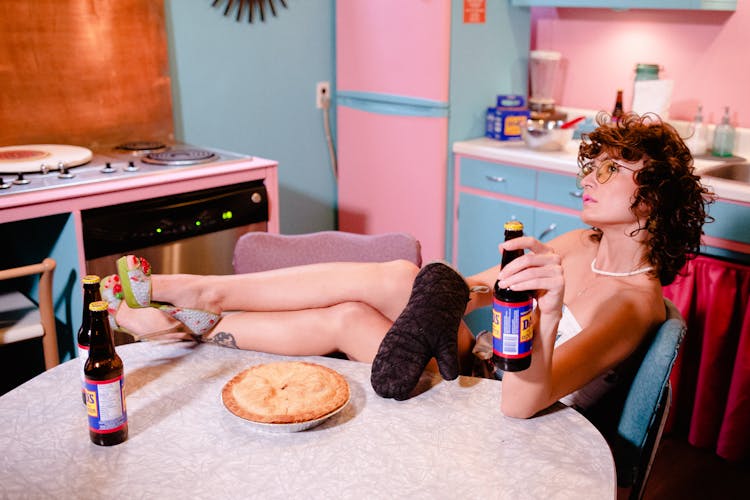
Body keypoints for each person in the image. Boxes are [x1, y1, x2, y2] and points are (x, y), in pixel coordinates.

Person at [103, 112, 713, 417]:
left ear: (654, 195)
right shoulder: (579, 243)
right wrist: (471, 286)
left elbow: (527, 399)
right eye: (592, 163)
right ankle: (190, 317)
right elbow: (482, 290)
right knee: (368, 300)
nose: (589, 177)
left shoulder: (634, 305)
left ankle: (190, 305)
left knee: (376, 296)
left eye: (610, 169)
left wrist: (542, 316)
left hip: (501, 405)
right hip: (477, 361)